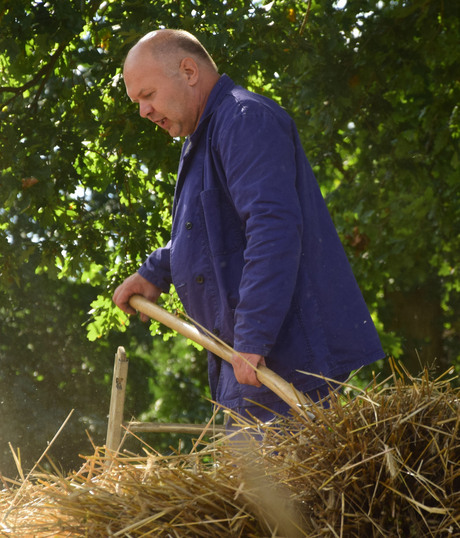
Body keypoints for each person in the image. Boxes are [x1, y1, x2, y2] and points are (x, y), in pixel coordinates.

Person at [113, 29, 385, 422]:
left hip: (283, 362)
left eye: (147, 95)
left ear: (188, 70)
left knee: (275, 484)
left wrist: (254, 336)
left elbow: (272, 228)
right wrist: (156, 271)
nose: (143, 111)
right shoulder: (203, 139)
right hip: (247, 361)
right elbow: (211, 236)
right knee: (245, 484)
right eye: (137, 101)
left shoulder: (244, 120)